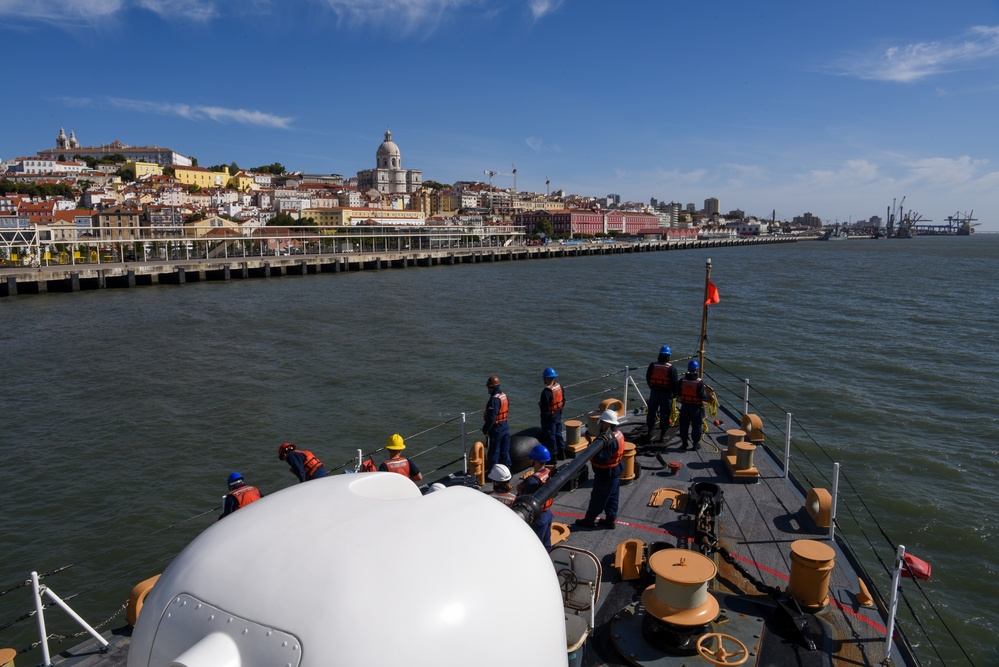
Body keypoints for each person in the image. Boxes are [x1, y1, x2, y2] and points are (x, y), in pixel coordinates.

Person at [575, 410, 626, 530]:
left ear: (607, 424)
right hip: (615, 471)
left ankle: (589, 520)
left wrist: (591, 452)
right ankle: (610, 520)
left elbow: (601, 459)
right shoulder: (619, 434)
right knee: (613, 497)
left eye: (602, 422)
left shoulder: (607, 440)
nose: (600, 424)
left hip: (605, 474)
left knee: (598, 498)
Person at [518, 445, 554, 549]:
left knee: (536, 546)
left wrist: (520, 491)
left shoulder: (532, 481)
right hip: (547, 514)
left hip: (538, 518)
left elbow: (527, 503)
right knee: (546, 544)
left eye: (531, 458)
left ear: (536, 461)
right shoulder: (548, 473)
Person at [645, 345, 680, 442]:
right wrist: (674, 395)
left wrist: (652, 387)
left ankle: (649, 432)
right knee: (665, 414)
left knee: (651, 412)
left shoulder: (652, 365)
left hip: (654, 392)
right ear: (668, 356)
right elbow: (675, 383)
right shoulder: (671, 368)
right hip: (666, 393)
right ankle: (663, 435)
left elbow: (648, 378)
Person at [677, 360, 712, 451]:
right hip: (695, 408)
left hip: (685, 407)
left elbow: (677, 391)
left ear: (688, 369)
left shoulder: (682, 380)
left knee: (684, 425)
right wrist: (710, 397)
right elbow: (702, 396)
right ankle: (695, 445)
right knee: (697, 426)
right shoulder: (699, 382)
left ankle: (684, 444)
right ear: (697, 370)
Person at [482, 375, 511, 470]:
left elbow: (491, 418)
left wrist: (485, 429)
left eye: (488, 387)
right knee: (505, 451)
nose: (487, 389)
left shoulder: (494, 400)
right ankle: (507, 469)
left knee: (494, 451)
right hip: (505, 426)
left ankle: (492, 472)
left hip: (497, 429)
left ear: (492, 387)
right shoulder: (504, 396)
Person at [539, 367, 566, 460]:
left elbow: (545, 409)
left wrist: (544, 418)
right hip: (558, 414)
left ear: (546, 378)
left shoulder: (546, 392)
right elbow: (563, 400)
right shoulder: (560, 388)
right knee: (558, 434)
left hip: (549, 418)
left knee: (550, 437)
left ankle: (553, 457)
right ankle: (562, 453)